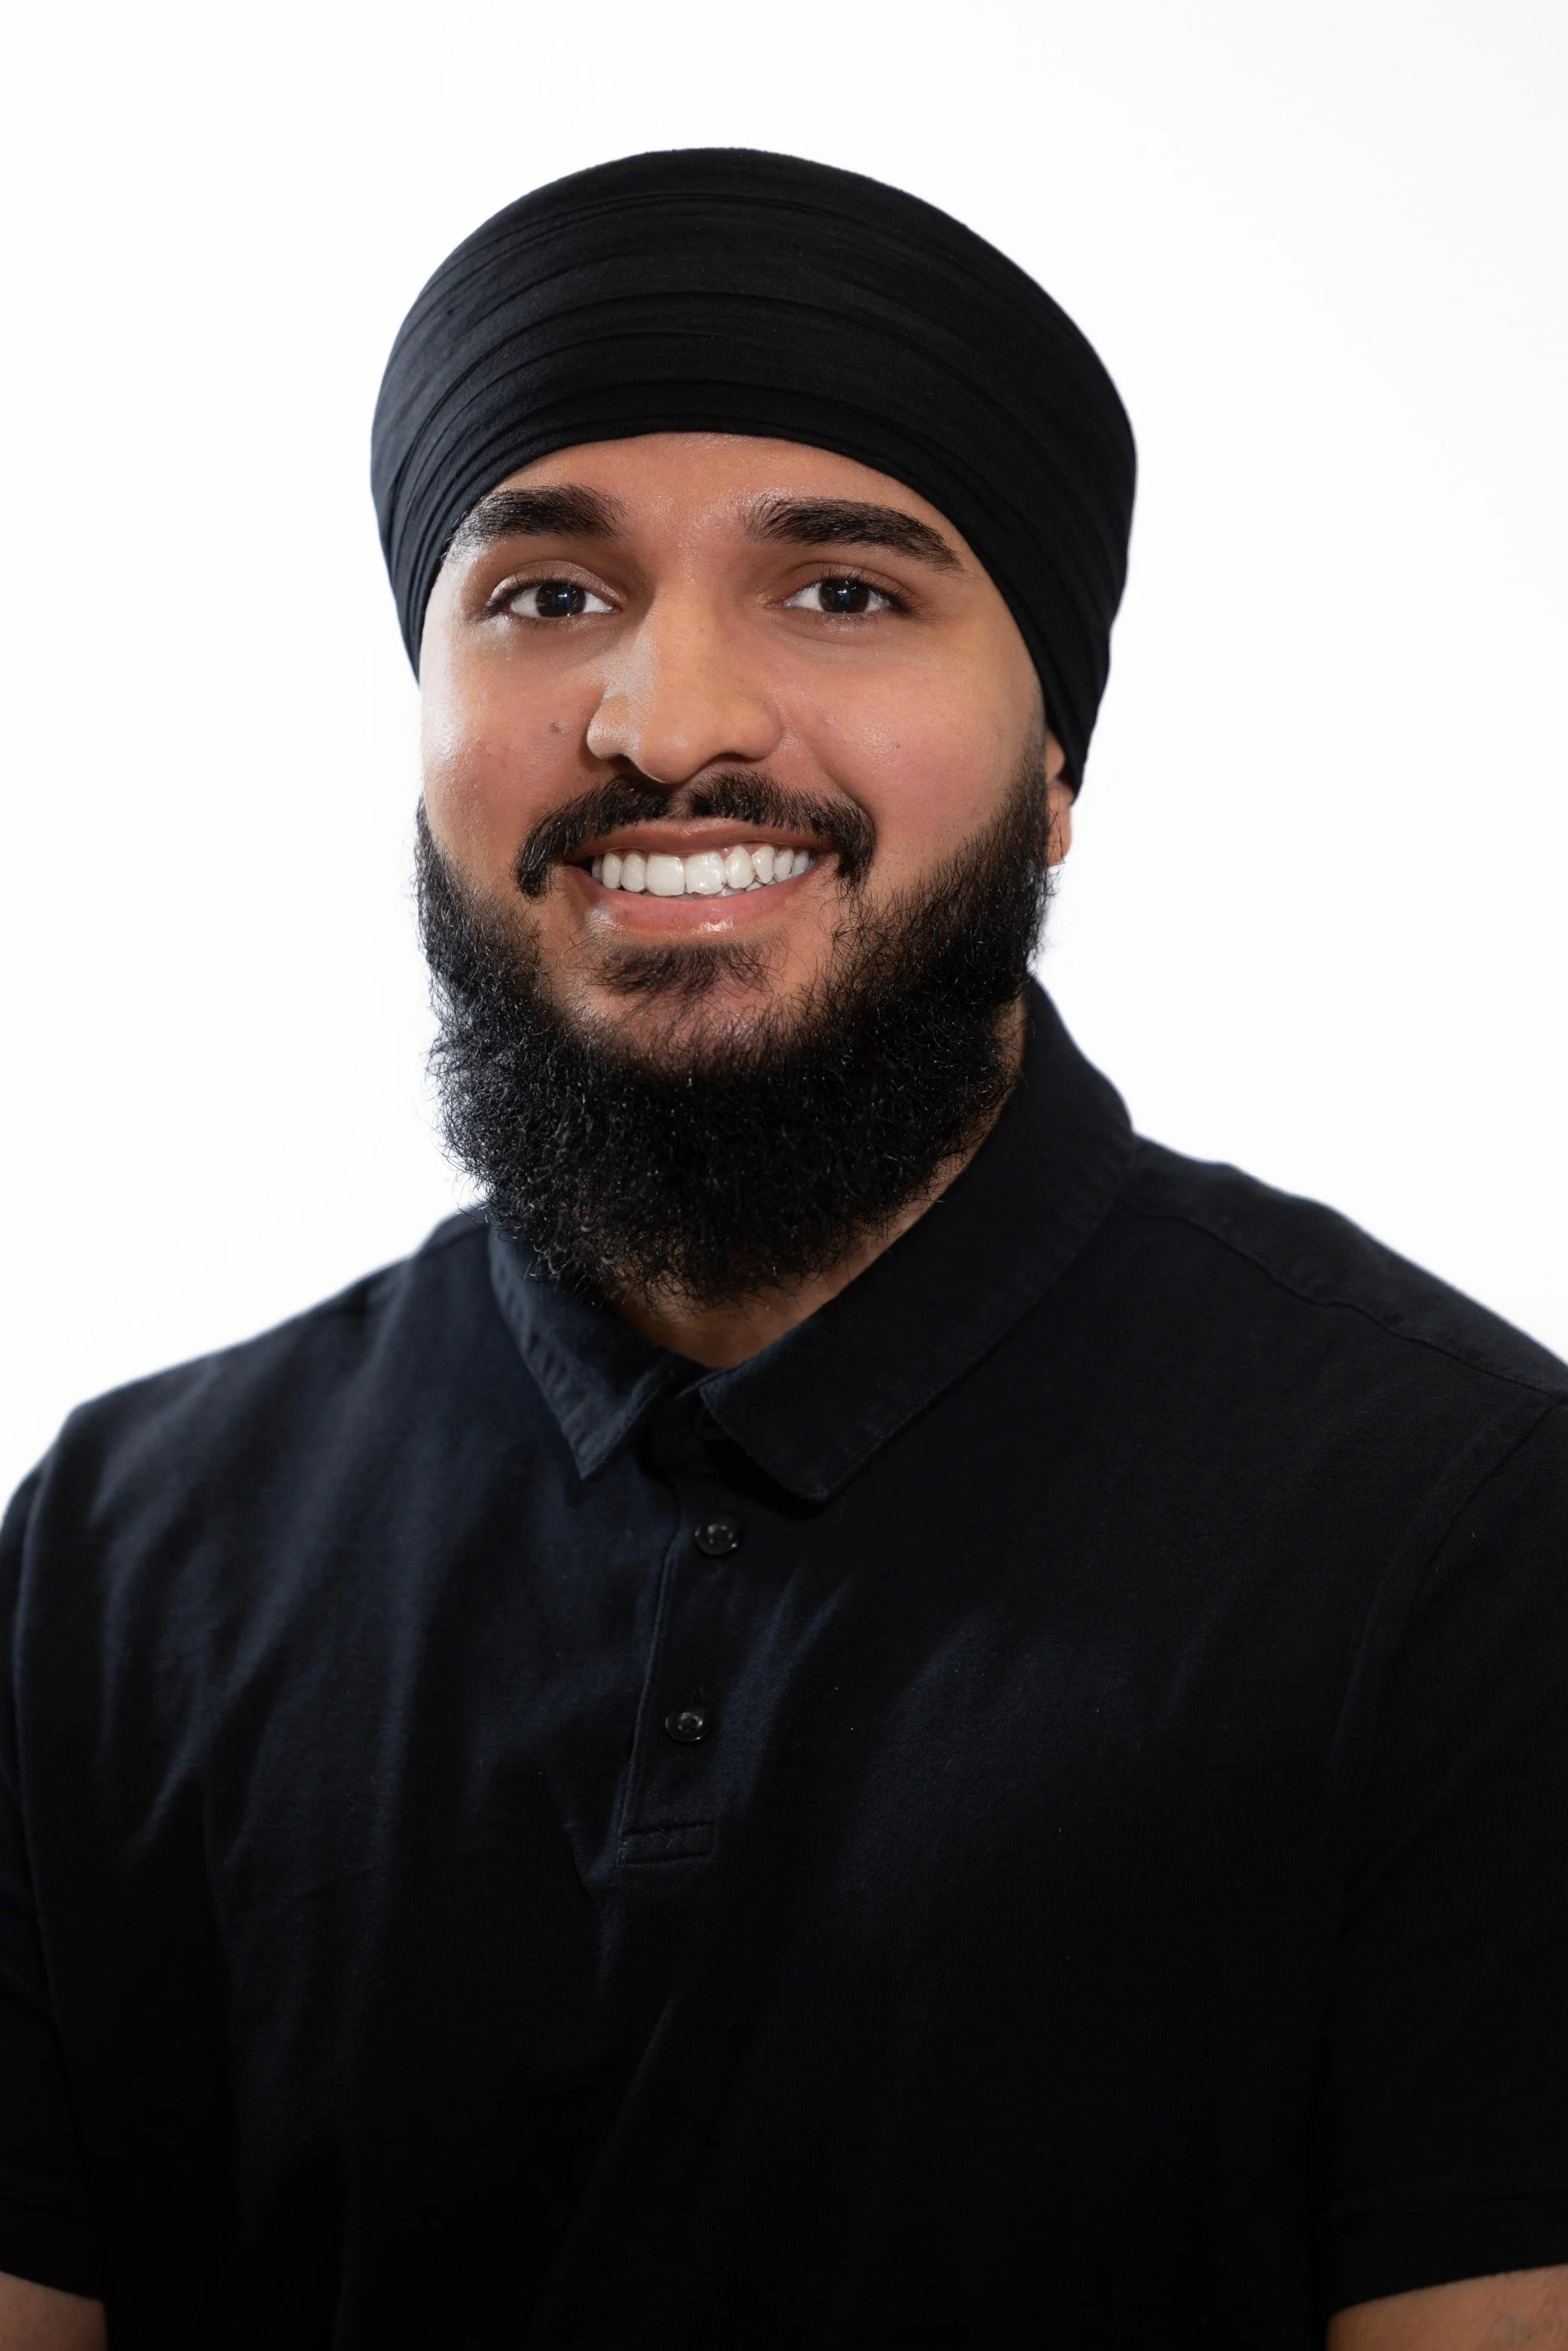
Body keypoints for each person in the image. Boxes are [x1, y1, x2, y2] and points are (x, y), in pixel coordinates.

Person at [2, 149, 1565, 2351]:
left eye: (841, 590)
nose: (668, 723)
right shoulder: (120, 1548)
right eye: (543, 594)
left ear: (1052, 765)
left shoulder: (1469, 1535)